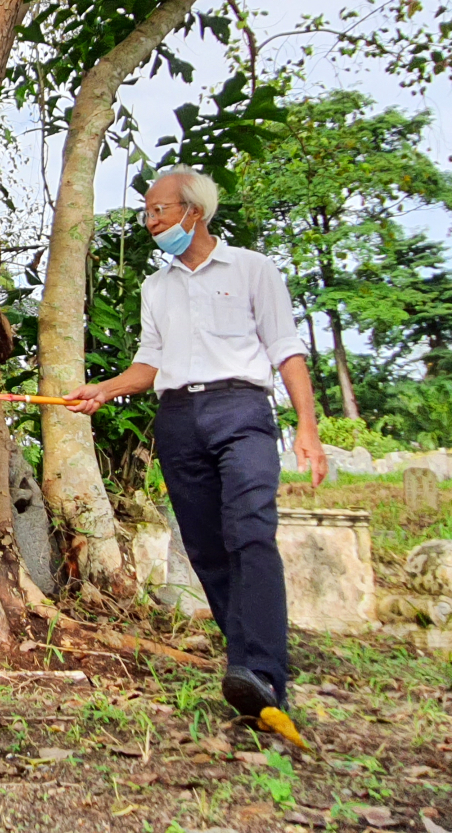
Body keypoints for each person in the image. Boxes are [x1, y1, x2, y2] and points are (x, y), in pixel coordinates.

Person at [65, 165, 328, 717]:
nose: (151, 221)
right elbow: (150, 361)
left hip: (242, 410)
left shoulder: (253, 270)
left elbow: (286, 349)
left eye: (160, 210)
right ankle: (248, 676)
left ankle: (264, 672)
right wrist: (105, 391)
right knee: (207, 548)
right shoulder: (155, 288)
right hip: (179, 417)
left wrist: (308, 425)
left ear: (195, 212)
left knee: (250, 531)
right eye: (147, 213)